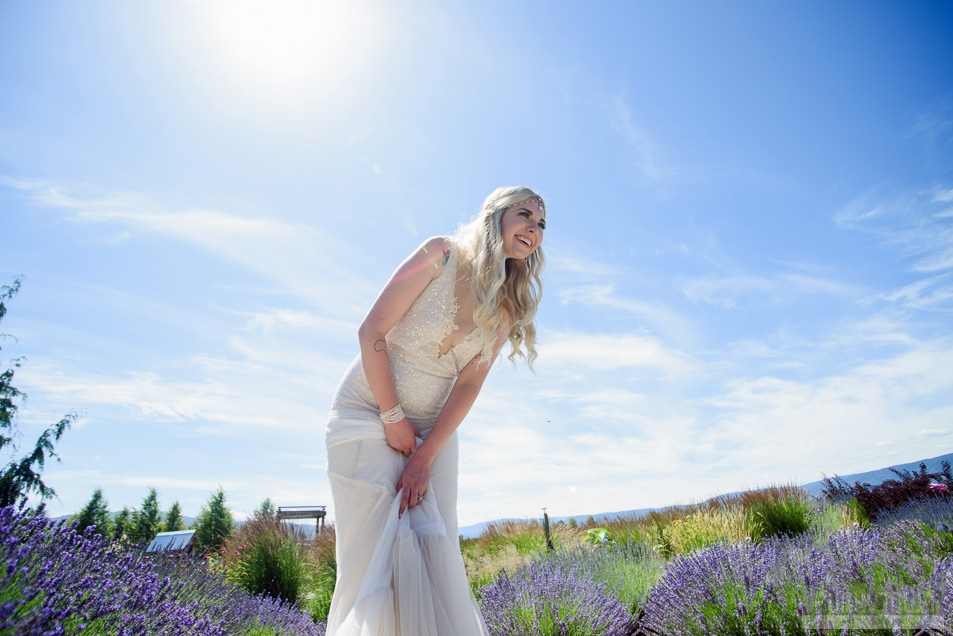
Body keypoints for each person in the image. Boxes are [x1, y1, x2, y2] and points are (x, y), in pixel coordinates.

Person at [324, 186, 546, 636]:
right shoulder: (439, 255)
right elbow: (371, 333)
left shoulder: (506, 307)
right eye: (525, 214)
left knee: (434, 555)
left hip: (434, 436)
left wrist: (424, 456)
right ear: (496, 216)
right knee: (375, 561)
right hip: (366, 413)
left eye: (541, 224)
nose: (534, 229)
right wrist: (392, 417)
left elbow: (469, 383)